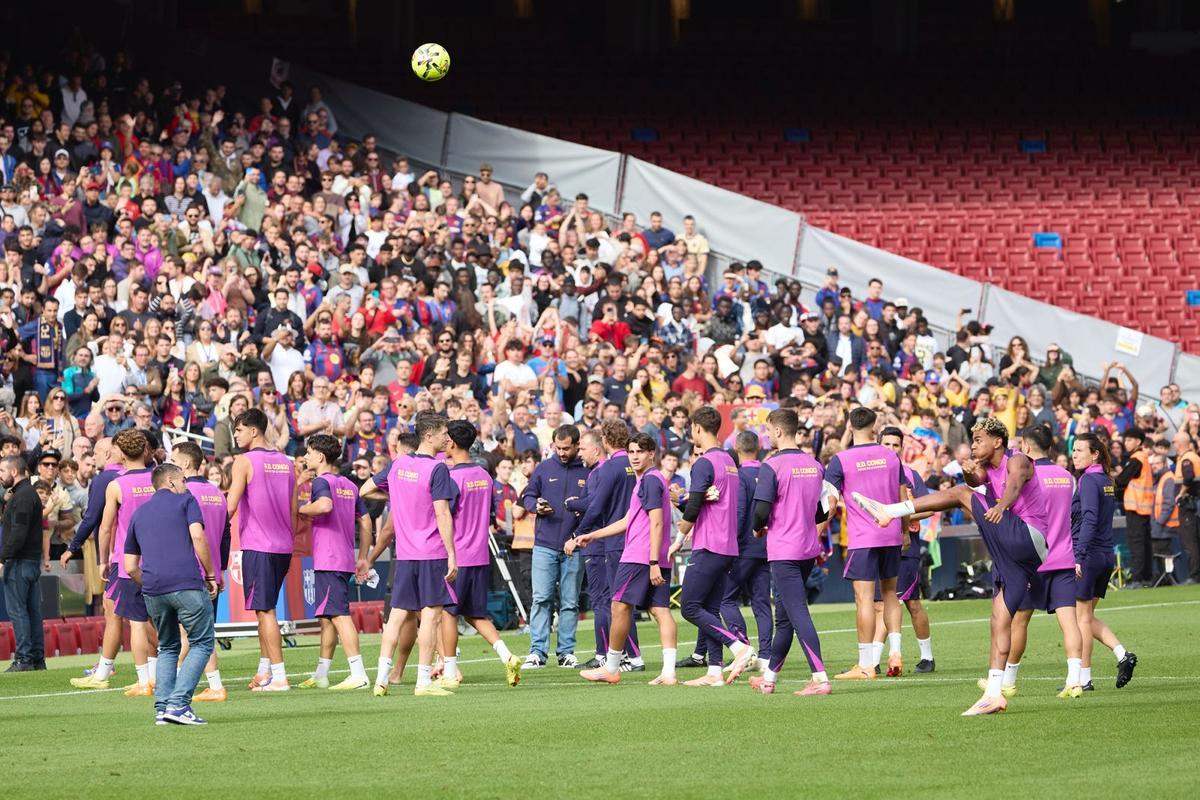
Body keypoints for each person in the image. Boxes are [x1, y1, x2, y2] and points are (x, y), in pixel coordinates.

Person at [853, 417, 1050, 716]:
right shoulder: (988, 468)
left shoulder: (1018, 459)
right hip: (1015, 549)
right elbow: (976, 485)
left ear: (997, 442)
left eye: (979, 440)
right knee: (999, 618)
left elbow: (1013, 485)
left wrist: (1000, 506)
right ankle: (994, 694)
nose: (973, 445)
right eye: (972, 440)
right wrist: (971, 476)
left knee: (959, 494)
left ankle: (891, 511)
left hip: (1028, 536)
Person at [361, 412, 458, 697]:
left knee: (397, 616)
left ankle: (381, 679)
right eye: (443, 433)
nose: (447, 438)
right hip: (431, 552)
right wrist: (452, 553)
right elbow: (442, 512)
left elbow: (366, 489)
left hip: (404, 554)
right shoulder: (438, 469)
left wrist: (397, 496)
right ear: (429, 436)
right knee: (430, 616)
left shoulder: (399, 463)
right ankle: (423, 682)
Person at [571, 433, 678, 686]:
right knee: (660, 610)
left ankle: (611, 666)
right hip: (653, 556)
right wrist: (593, 535)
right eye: (631, 452)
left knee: (619, 606)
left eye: (640, 451)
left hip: (640, 556)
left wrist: (652, 562)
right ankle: (669, 672)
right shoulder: (648, 480)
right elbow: (629, 519)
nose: (635, 456)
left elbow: (657, 522)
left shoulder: (650, 480)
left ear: (652, 453)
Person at [988, 426, 1084, 699]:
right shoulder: (1067, 477)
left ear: (1026, 448)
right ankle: (1074, 679)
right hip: (1064, 557)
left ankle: (1008, 680)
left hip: (1034, 559)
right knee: (1070, 621)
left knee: (1019, 621)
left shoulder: (1026, 474)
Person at [123, 463, 218, 726]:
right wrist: (210, 574)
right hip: (186, 583)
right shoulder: (185, 501)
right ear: (172, 482)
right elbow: (198, 538)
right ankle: (178, 705)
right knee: (201, 643)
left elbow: (130, 566)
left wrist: (151, 582)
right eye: (184, 480)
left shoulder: (138, 514)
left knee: (168, 646)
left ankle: (163, 708)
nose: (186, 485)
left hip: (153, 589)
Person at [746, 409, 832, 696]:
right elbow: (823, 510)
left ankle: (820, 678)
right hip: (808, 548)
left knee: (796, 612)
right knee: (784, 617)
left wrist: (758, 528)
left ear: (779, 431)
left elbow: (760, 511)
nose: (767, 435)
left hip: (784, 550)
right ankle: (769, 678)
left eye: (769, 430)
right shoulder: (814, 464)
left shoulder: (772, 466)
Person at [71, 429, 160, 695]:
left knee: (136, 621)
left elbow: (106, 527)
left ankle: (143, 680)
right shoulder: (158, 478)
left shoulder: (116, 484)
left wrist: (103, 561)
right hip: (158, 558)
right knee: (156, 618)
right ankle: (156, 675)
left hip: (127, 560)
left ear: (120, 452)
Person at [824, 407, 909, 681]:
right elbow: (902, 496)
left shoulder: (840, 459)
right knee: (891, 594)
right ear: (876, 426)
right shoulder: (890, 456)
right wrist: (905, 531)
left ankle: (866, 664)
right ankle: (895, 651)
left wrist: (816, 531)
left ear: (850, 426)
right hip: (891, 532)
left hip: (863, 537)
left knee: (863, 598)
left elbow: (829, 502)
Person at [436, 421, 523, 688]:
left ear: (451, 442)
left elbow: (446, 514)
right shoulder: (485, 476)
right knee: (475, 613)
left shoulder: (452, 477)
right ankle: (506, 655)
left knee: (448, 613)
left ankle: (450, 671)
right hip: (480, 552)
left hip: (457, 553)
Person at [676, 406, 758, 687]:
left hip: (709, 543)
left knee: (689, 607)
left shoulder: (704, 462)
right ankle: (714, 671)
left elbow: (695, 503)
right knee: (709, 607)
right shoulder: (730, 461)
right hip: (728, 545)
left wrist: (679, 534)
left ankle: (738, 647)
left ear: (697, 428)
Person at [226, 408, 297, 692]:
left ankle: (279, 676)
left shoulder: (243, 461)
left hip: (259, 544)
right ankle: (264, 671)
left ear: (253, 430)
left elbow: (230, 506)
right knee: (263, 610)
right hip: (283, 545)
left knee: (265, 610)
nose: (236, 434)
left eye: (239, 429)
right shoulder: (286, 462)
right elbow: (293, 508)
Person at [295, 434, 372, 691]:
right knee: (328, 618)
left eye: (308, 452)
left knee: (338, 616)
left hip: (329, 557)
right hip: (343, 556)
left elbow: (325, 506)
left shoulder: (321, 482)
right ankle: (322, 674)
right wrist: (362, 556)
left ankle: (358, 673)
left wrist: (297, 510)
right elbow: (366, 520)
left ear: (320, 456)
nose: (305, 457)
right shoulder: (349, 485)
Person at [568, 419, 638, 670]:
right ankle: (629, 655)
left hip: (607, 540)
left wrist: (578, 527)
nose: (580, 453)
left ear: (603, 444)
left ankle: (609, 655)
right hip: (634, 538)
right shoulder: (636, 465)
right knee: (626, 601)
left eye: (583, 449)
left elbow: (595, 505)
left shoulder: (604, 470)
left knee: (607, 600)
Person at [519, 424, 589, 669]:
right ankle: (537, 651)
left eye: (566, 448)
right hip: (545, 545)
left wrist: (580, 534)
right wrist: (535, 505)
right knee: (541, 599)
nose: (561, 452)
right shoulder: (544, 468)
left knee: (570, 601)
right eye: (558, 447)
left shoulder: (587, 470)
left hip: (575, 544)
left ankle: (566, 652)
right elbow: (527, 496)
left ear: (577, 445)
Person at [1071, 433, 1138, 690]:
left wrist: (1079, 554)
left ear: (1095, 454)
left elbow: (1089, 518)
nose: (1075, 454)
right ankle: (1122, 654)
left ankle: (1084, 678)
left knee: (1082, 619)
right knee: (1086, 616)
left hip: (1089, 555)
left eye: (1080, 450)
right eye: (1073, 450)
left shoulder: (1088, 480)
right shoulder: (1105, 479)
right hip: (1105, 555)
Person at [171, 441, 231, 703]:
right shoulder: (216, 493)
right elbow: (225, 536)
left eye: (174, 460)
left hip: (189, 571)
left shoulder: (183, 493)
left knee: (192, 634)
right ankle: (176, 681)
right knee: (198, 632)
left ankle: (211, 685)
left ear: (185, 464)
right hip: (212, 573)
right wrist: (220, 570)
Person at [874, 427, 936, 674]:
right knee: (881, 602)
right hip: (880, 543)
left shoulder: (911, 475)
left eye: (895, 445)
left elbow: (930, 507)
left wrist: (899, 513)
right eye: (886, 444)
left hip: (906, 543)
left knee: (911, 601)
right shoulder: (872, 474)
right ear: (879, 445)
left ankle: (927, 656)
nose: (891, 449)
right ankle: (874, 660)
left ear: (902, 448)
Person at [0, 456, 46, 672]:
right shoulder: (26, 494)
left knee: (19, 611)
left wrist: (2, 558)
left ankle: (24, 659)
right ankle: (36, 658)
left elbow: (18, 532)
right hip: (30, 561)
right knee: (31, 611)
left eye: (2, 470)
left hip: (19, 562)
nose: (0, 475)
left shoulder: (23, 497)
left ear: (15, 471)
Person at [1113, 427, 1153, 586]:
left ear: (1138, 442)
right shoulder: (1140, 457)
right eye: (1126, 439)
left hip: (1136, 507)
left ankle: (1137, 578)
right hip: (1142, 507)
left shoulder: (1137, 458)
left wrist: (1111, 480)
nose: (1126, 442)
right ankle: (1146, 577)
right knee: (1144, 544)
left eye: (1129, 440)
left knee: (1136, 544)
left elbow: (1122, 479)